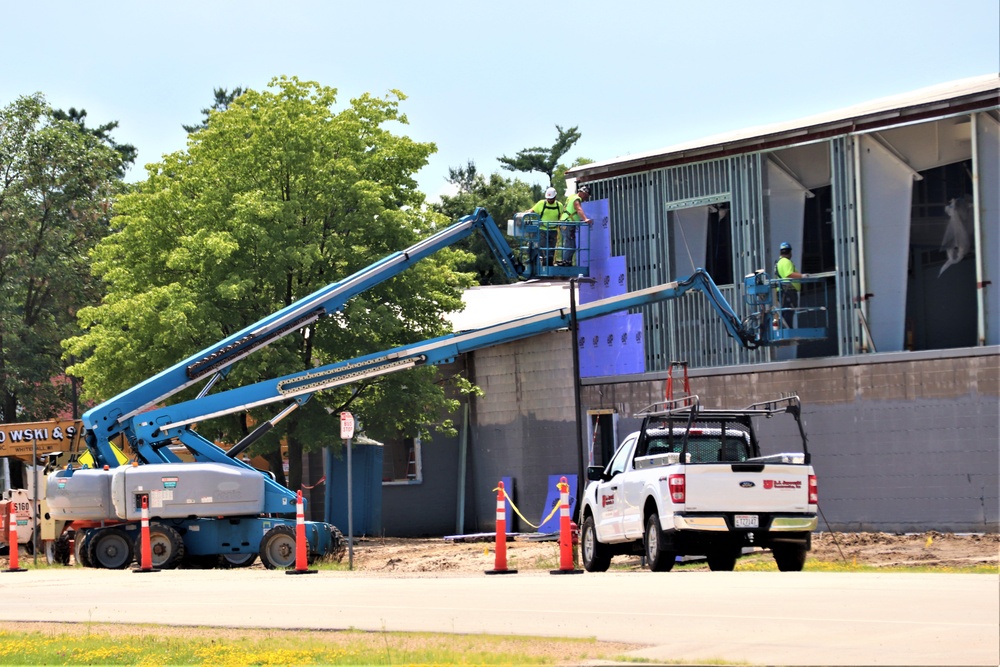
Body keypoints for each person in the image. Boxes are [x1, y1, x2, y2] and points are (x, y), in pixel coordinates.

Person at [525, 187, 565, 266]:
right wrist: (526, 213)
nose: (549, 200)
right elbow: (532, 210)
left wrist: (562, 223)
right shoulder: (541, 203)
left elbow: (562, 216)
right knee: (543, 248)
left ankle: (549, 263)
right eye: (548, 199)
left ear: (555, 197)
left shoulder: (559, 205)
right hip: (542, 230)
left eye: (551, 199)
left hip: (553, 231)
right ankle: (543, 261)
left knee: (551, 250)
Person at [774, 242, 808, 327]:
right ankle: (788, 330)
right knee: (788, 312)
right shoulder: (786, 262)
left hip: (783, 291)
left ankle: (785, 329)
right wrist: (802, 276)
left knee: (785, 312)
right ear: (789, 252)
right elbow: (789, 274)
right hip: (788, 291)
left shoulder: (779, 262)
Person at [558, 185, 593, 265]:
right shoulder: (576, 199)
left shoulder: (571, 197)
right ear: (583, 193)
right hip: (568, 224)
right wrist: (585, 219)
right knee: (571, 245)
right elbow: (578, 209)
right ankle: (566, 262)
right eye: (586, 196)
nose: (586, 198)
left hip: (565, 223)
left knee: (569, 244)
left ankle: (566, 261)